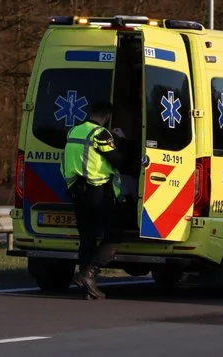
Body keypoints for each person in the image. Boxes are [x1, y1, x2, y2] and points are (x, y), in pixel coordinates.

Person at [60, 101, 128, 299]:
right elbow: (117, 161)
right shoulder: (101, 134)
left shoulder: (74, 131)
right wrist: (121, 140)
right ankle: (89, 274)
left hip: (76, 190)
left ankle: (86, 286)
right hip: (97, 192)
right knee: (114, 234)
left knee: (87, 237)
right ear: (107, 117)